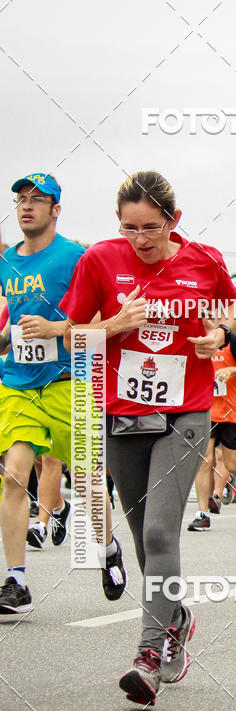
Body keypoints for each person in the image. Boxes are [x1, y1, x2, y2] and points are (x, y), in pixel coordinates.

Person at [61, 170, 236, 705]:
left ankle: (149, 653)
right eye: (129, 227)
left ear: (174, 221)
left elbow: (227, 308)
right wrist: (113, 326)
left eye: (152, 228)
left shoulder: (204, 260)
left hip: (184, 414)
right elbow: (70, 333)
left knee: (162, 533)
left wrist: (218, 335)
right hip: (120, 417)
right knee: (142, 538)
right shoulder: (99, 260)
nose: (140, 239)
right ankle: (177, 616)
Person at [0, 173, 126, 616]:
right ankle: (16, 582)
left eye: (38, 200)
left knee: (90, 481)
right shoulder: (6, 261)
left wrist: (57, 329)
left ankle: (108, 549)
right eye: (20, 199)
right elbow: (9, 323)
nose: (26, 206)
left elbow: (104, 319)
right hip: (16, 383)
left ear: (56, 209)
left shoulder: (77, 257)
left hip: (68, 381)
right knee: (15, 475)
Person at [188, 331, 236, 531]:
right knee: (204, 459)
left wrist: (232, 370)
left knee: (232, 464)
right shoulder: (196, 339)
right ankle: (202, 514)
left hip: (232, 412)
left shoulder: (233, 341)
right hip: (205, 410)